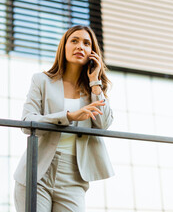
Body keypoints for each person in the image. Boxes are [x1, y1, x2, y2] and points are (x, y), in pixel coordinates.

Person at [13, 25, 114, 212]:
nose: (80, 46)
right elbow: (27, 122)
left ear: (92, 52)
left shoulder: (94, 89)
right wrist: (69, 116)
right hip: (37, 170)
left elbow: (103, 125)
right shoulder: (41, 81)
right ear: (64, 46)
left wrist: (95, 81)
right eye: (74, 41)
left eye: (86, 43)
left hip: (73, 176)